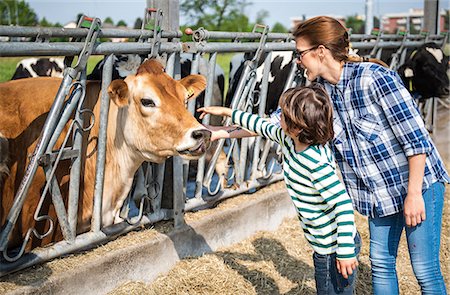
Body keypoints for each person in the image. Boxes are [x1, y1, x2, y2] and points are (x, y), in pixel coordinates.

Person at [287, 16, 449, 294]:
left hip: (418, 183)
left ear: (321, 51)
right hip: (378, 194)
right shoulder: (320, 93)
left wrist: (413, 194)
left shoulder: (375, 79)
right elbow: (279, 119)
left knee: (424, 269)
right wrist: (223, 130)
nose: (298, 61)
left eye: (300, 54)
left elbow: (416, 140)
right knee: (381, 264)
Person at [198, 83, 361, 295]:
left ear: (297, 127)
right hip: (324, 244)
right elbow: (259, 125)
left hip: (335, 247)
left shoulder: (316, 163)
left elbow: (343, 204)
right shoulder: (287, 139)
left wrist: (346, 250)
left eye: (283, 115)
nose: (278, 118)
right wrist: (227, 114)